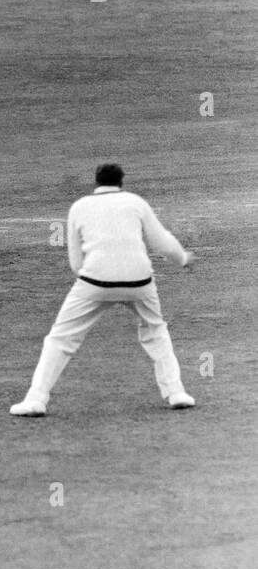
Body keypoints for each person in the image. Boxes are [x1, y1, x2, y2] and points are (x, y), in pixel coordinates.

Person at [10, 163, 197, 417]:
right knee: (156, 331)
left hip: (94, 282)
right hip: (140, 282)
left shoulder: (79, 206)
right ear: (121, 182)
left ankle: (36, 399)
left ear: (96, 182)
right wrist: (183, 259)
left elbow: (76, 263)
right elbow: (161, 241)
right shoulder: (135, 202)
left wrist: (95, 281)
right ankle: (176, 392)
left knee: (60, 338)